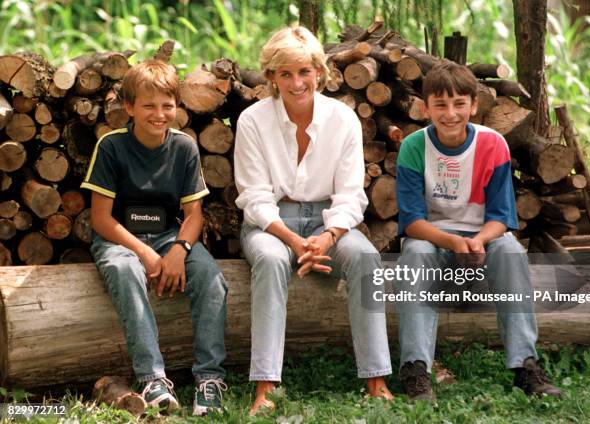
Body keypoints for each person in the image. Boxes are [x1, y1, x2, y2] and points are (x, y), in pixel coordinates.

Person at [234, 26, 393, 416]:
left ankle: (376, 380)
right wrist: (293, 239)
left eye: (304, 71)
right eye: (284, 73)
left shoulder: (343, 119)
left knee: (366, 259)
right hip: (271, 224)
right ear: (270, 77)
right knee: (271, 261)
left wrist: (327, 237)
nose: (296, 82)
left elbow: (352, 195)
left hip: (330, 221)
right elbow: (254, 198)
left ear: (319, 72)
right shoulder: (253, 120)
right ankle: (266, 386)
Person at [394, 60, 562, 400]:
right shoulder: (413, 147)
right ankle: (416, 369)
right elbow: (412, 221)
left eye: (459, 104)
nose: (450, 113)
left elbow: (501, 217)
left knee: (512, 251)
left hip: (484, 238)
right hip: (433, 238)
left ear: (474, 105)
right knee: (414, 254)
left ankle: (525, 366)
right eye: (440, 104)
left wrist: (479, 240)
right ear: (425, 107)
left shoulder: (493, 144)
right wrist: (453, 241)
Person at [81, 60, 228, 416]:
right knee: (124, 270)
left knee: (211, 278)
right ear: (129, 107)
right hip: (120, 239)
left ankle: (209, 379)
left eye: (167, 105)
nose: (159, 114)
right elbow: (101, 219)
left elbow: (194, 216)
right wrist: (146, 254)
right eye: (148, 105)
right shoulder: (111, 146)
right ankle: (152, 378)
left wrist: (179, 250)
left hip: (169, 235)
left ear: (177, 106)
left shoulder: (184, 148)